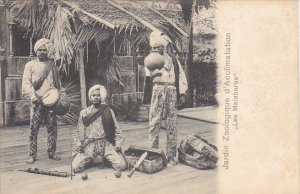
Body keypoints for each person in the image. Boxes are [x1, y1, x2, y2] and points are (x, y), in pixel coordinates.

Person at [143, 31, 188, 166]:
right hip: (158, 90)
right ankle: (154, 153)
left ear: (164, 47)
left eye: (159, 47)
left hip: (172, 90)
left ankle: (171, 155)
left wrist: (183, 93)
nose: (156, 50)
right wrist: (153, 73)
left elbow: (181, 76)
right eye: (154, 48)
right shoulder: (151, 60)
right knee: (154, 121)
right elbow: (148, 76)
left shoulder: (173, 60)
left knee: (172, 123)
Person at [22, 38, 62, 164]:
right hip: (37, 103)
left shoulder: (52, 65)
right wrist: (33, 97)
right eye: (40, 50)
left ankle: (52, 152)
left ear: (47, 51)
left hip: (51, 103)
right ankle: (31, 155)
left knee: (52, 128)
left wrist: (57, 96)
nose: (42, 52)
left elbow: (57, 84)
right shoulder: (30, 65)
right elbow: (26, 84)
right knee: (33, 129)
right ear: (36, 51)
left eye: (44, 50)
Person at [72, 85, 127, 173]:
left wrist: (118, 144)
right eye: (93, 95)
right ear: (90, 97)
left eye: (98, 95)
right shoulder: (84, 112)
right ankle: (89, 159)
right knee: (76, 167)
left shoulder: (108, 111)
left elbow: (117, 130)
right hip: (90, 144)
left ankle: (107, 158)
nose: (96, 97)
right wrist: (79, 144)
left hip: (106, 143)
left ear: (101, 96)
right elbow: (78, 132)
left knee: (121, 165)